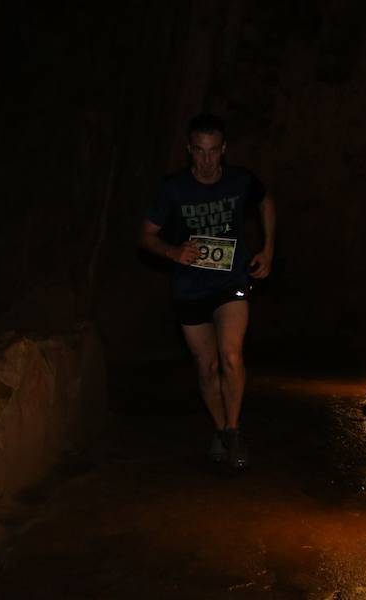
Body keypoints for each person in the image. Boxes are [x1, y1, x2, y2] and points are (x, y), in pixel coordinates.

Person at [139, 113, 276, 469]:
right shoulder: (173, 188)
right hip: (190, 288)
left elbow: (265, 201)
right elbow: (147, 235)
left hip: (231, 282)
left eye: (213, 151)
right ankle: (219, 428)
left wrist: (268, 249)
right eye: (199, 151)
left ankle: (233, 430)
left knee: (231, 356)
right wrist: (173, 251)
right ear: (189, 150)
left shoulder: (240, 181)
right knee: (206, 366)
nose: (207, 159)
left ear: (224, 150)